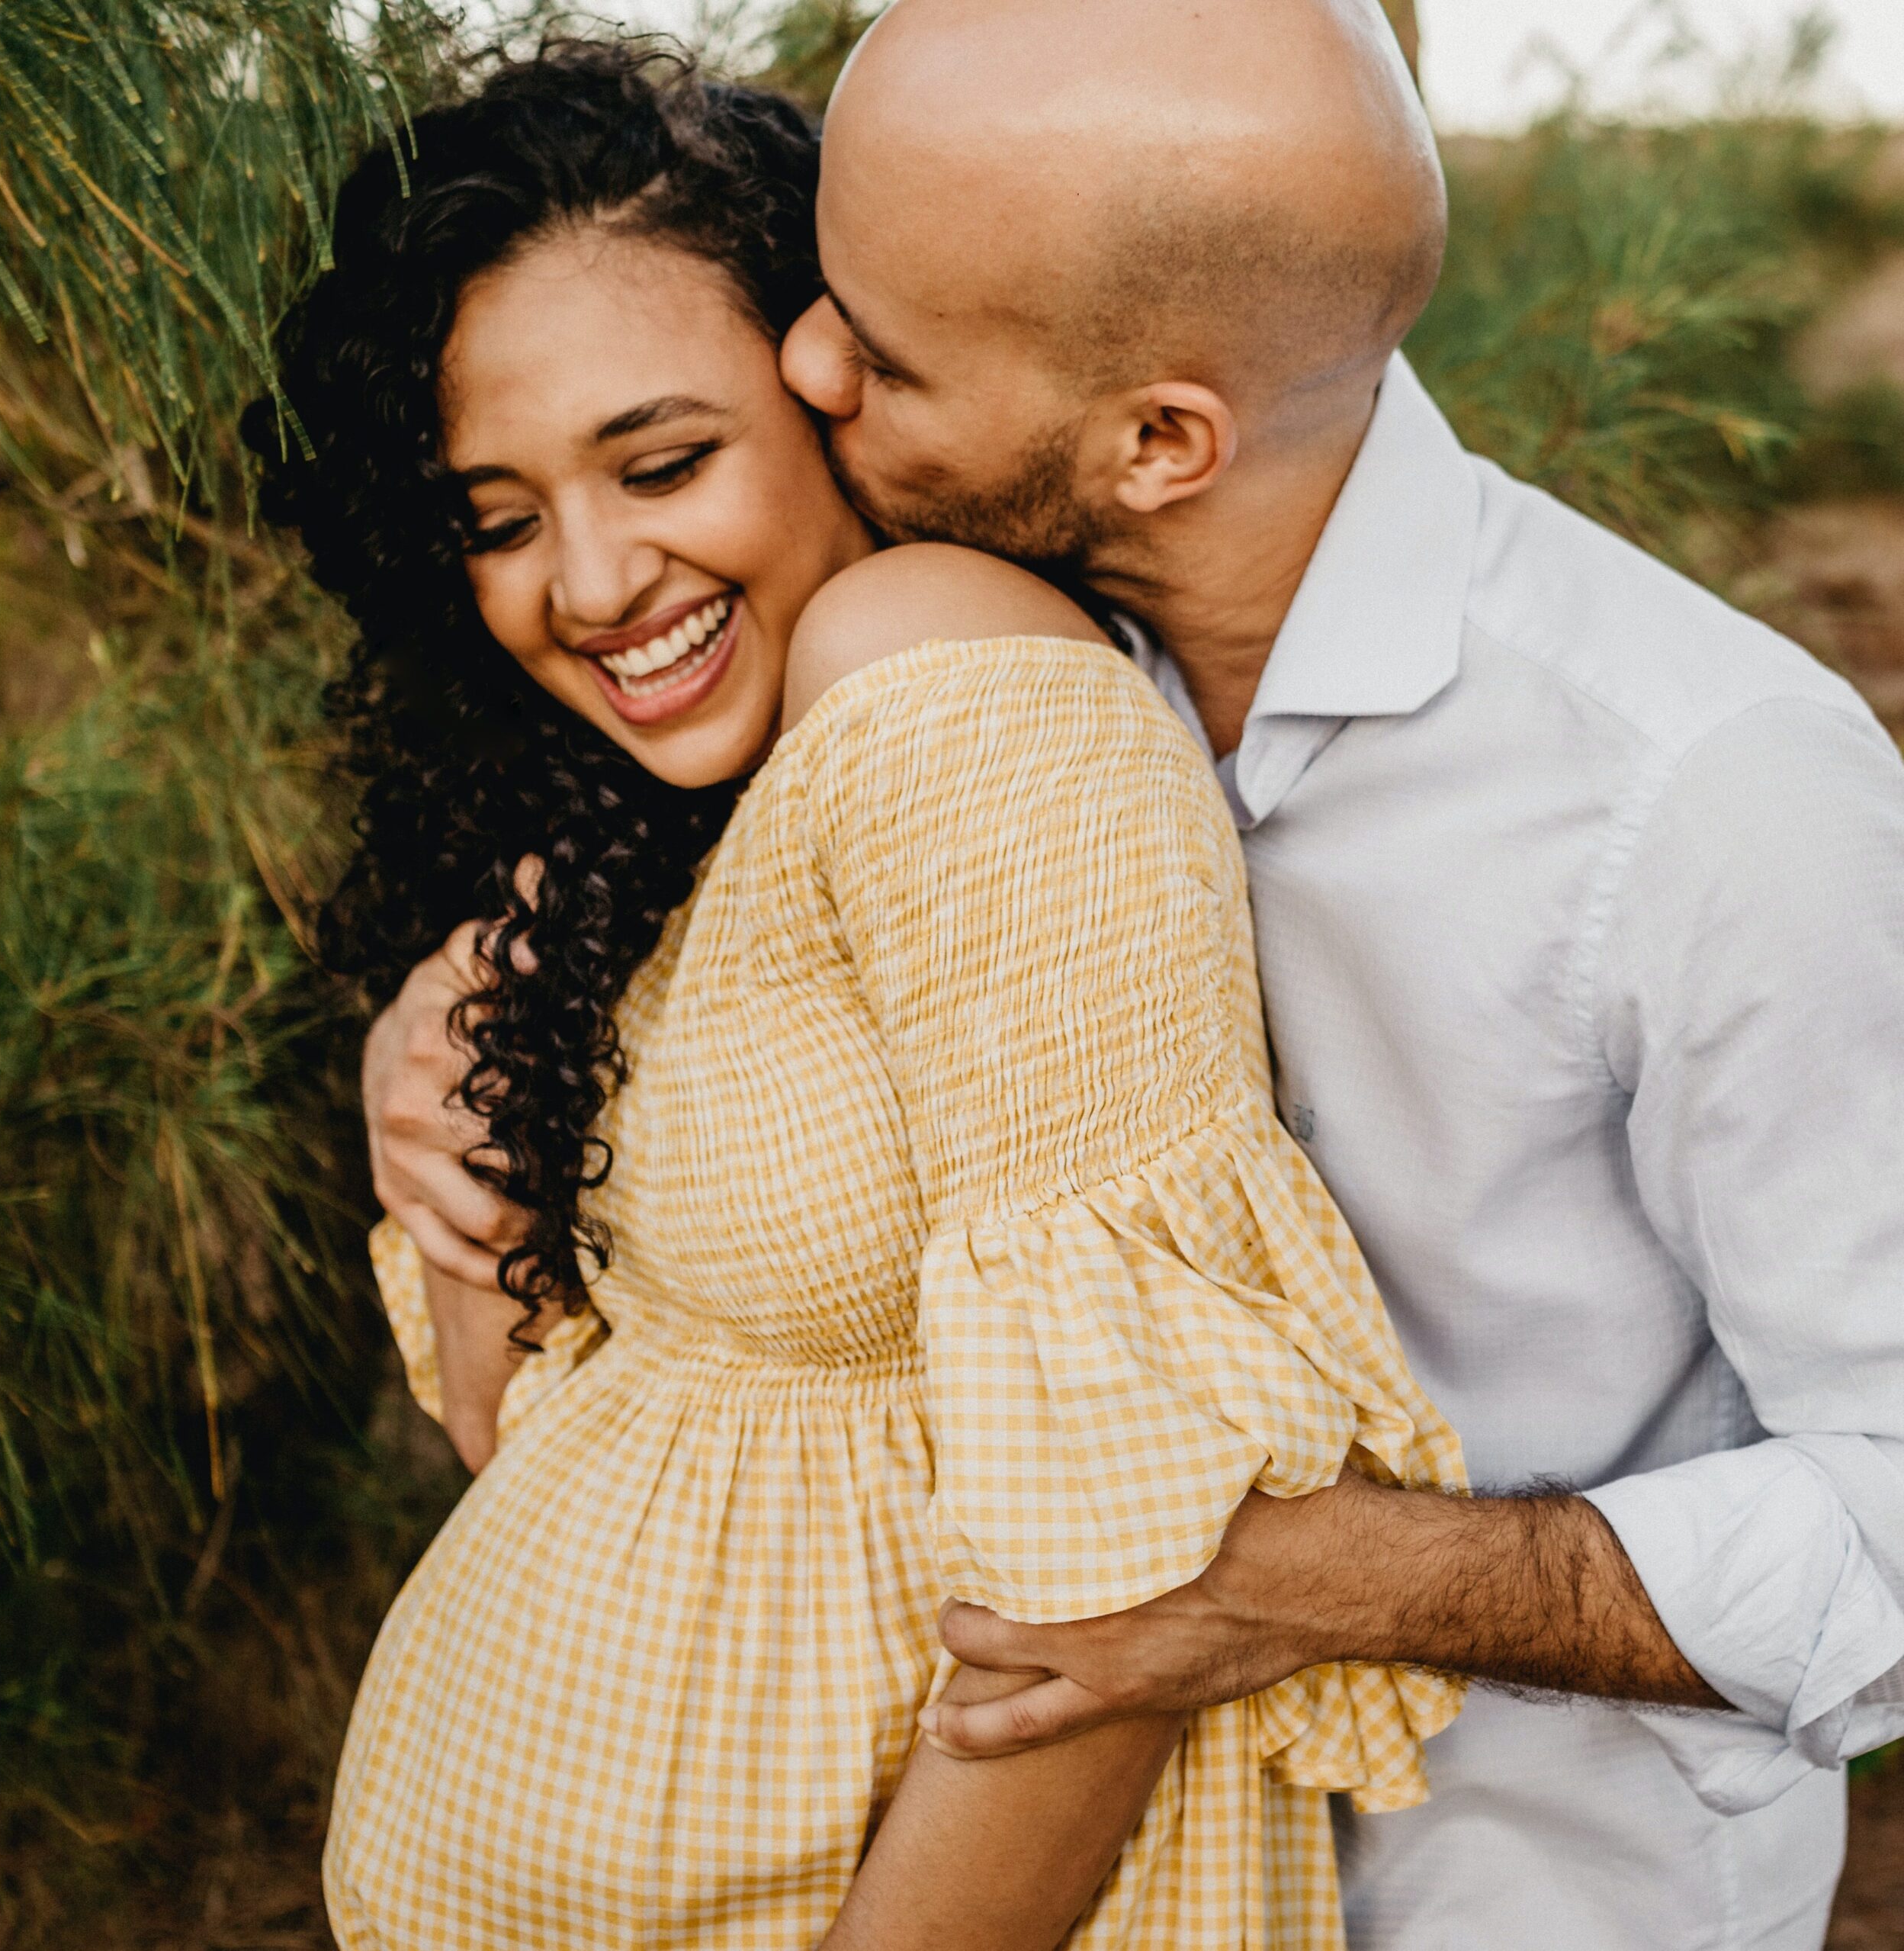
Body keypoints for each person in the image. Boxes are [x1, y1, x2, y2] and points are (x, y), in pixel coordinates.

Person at [371, 2, 1904, 1946]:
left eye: (881, 340)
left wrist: (1335, 1576)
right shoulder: (922, 667)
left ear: (1161, 439)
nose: (806, 358)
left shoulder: (1701, 795)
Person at [249, 40, 1466, 1951]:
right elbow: (553, 1450)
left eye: (662, 463)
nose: (583, 576)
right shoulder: (671, 817)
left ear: (835, 397)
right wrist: (450, 1094)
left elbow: (1116, 1584)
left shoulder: (950, 688)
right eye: (496, 515)